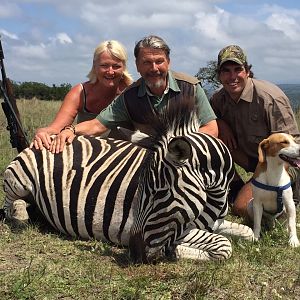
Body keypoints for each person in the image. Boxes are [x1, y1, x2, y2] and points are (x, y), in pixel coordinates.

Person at [49, 35, 218, 153]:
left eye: (159, 61)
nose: (154, 68)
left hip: (190, 155)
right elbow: (97, 125)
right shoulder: (129, 96)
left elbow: (211, 129)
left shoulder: (190, 87)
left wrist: (179, 146)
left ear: (168, 62)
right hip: (153, 161)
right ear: (137, 65)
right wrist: (70, 130)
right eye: (146, 62)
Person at [210, 44, 300, 220]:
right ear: (219, 75)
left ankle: (282, 205)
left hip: (279, 164)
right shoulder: (218, 100)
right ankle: (237, 187)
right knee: (212, 137)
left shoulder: (270, 98)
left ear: (247, 71)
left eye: (238, 69)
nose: (232, 76)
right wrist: (220, 123)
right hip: (252, 161)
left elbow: (293, 146)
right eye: (226, 71)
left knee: (242, 207)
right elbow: (207, 124)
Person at [32, 40, 133, 150]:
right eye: (104, 65)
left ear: (124, 67)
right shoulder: (79, 93)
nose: (110, 71)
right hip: (85, 157)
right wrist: (42, 132)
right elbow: (57, 127)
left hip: (123, 160)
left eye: (116, 66)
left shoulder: (131, 93)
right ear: (95, 66)